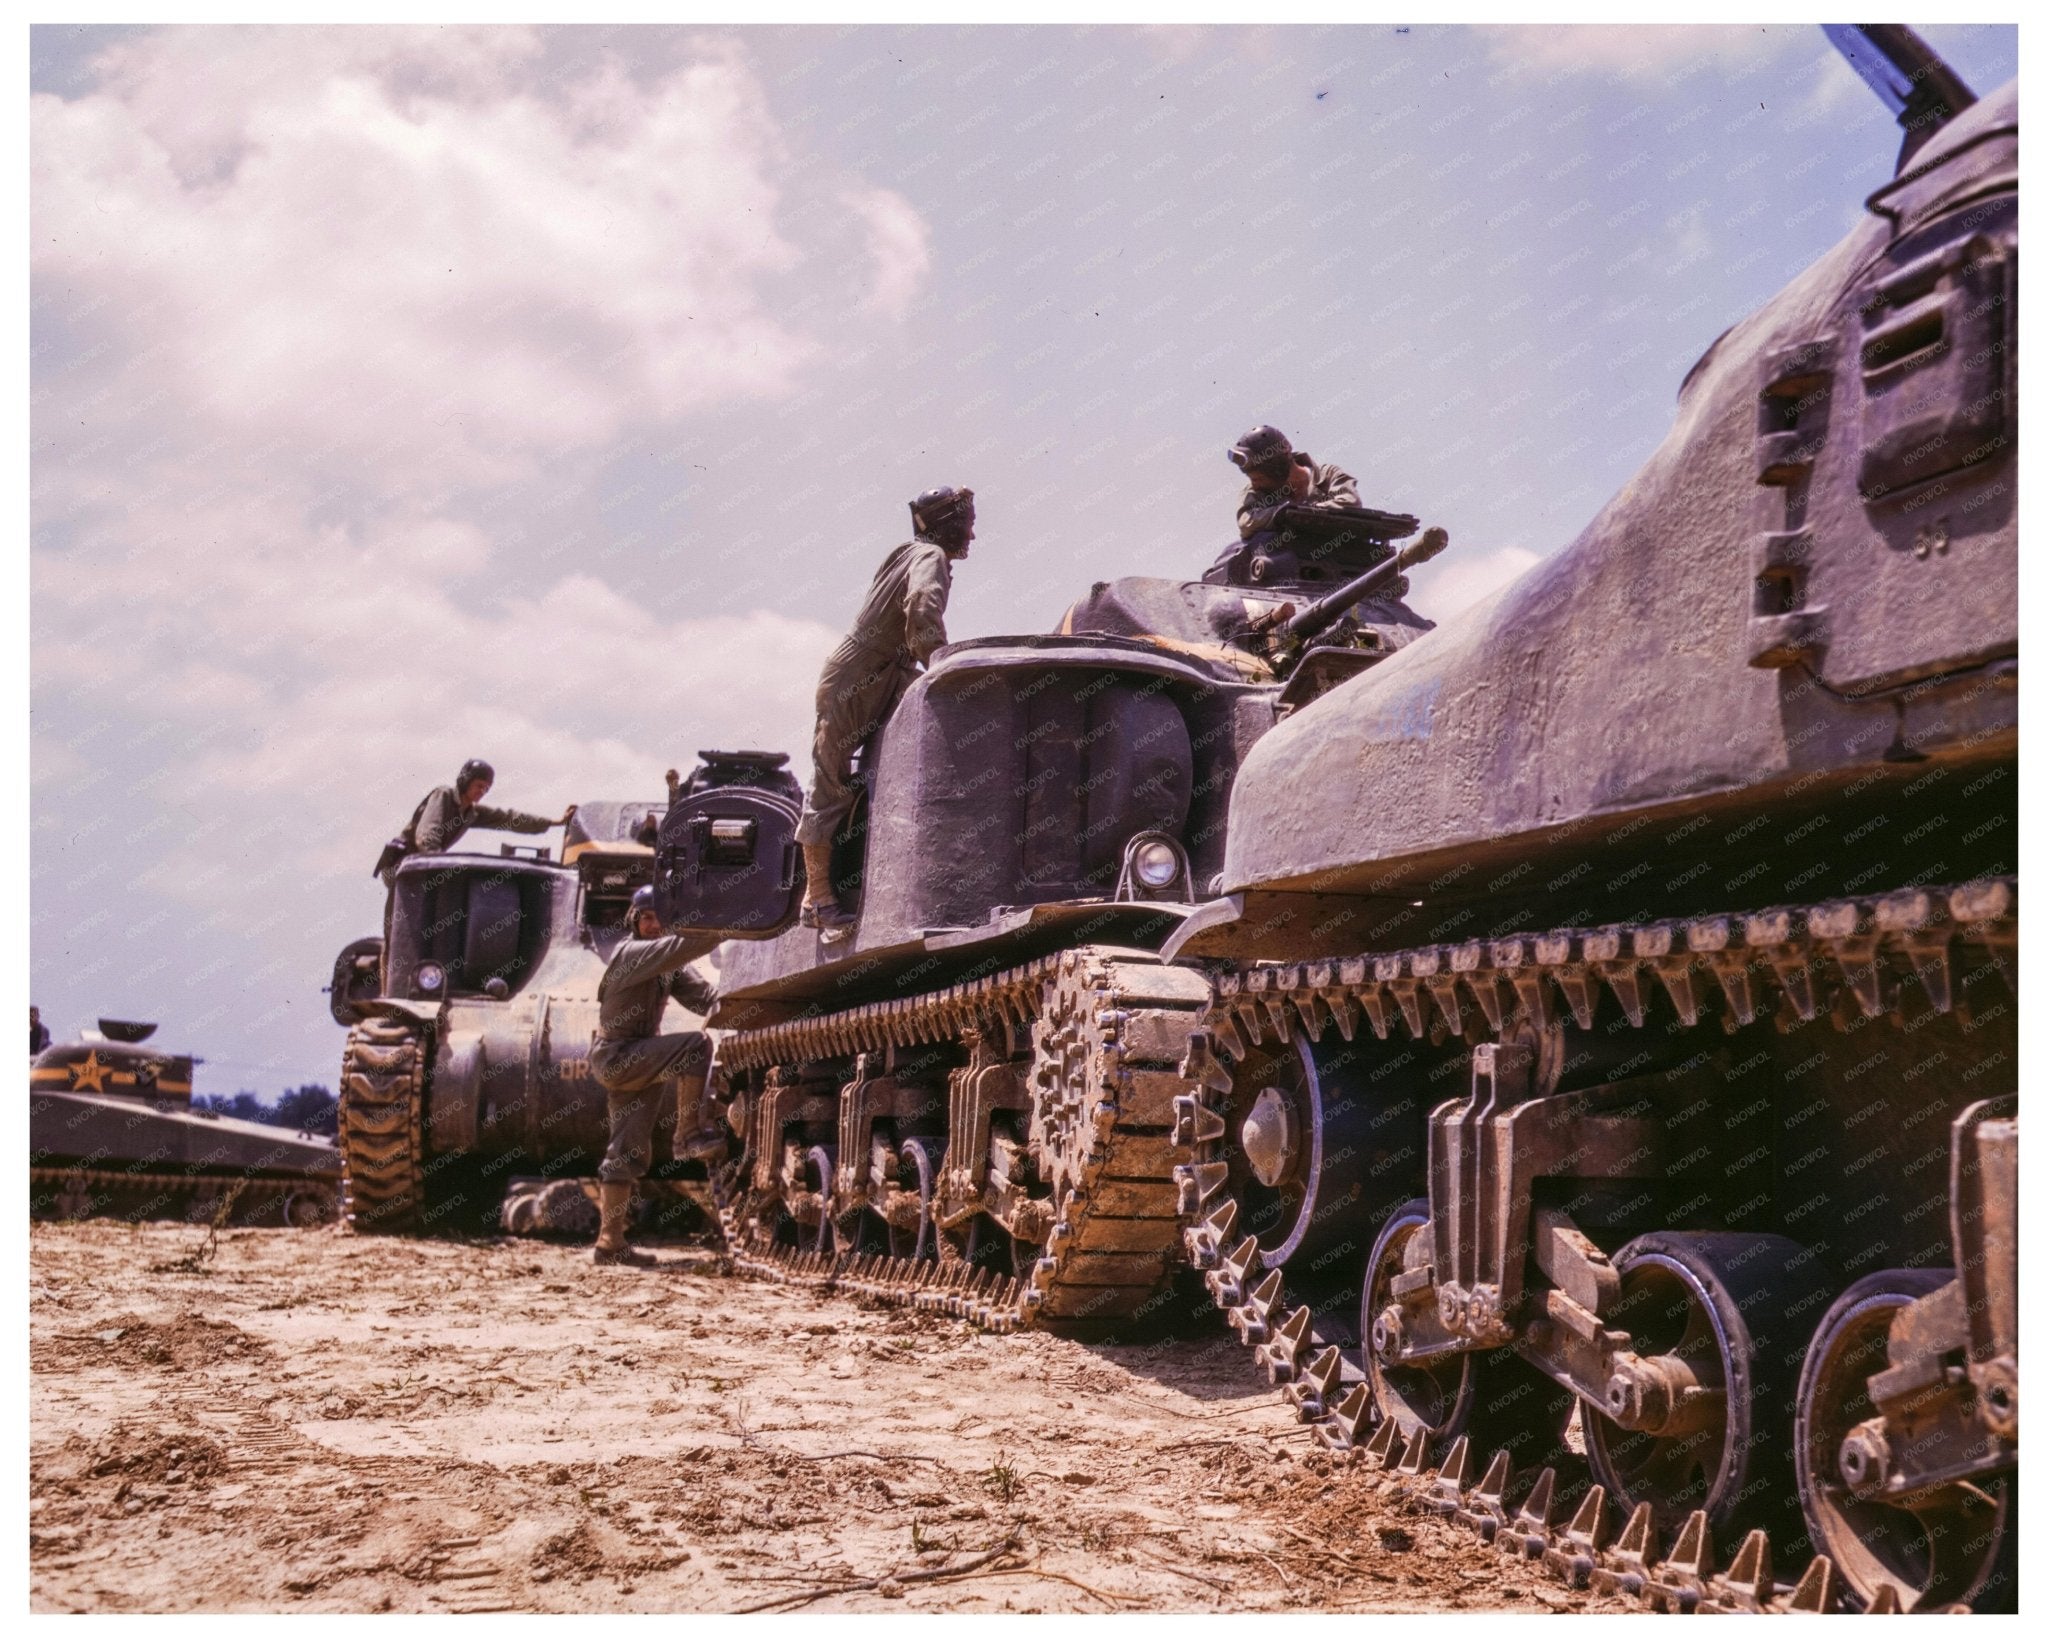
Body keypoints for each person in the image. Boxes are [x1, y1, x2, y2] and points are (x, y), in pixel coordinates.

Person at [795, 485, 975, 940]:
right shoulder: (930, 555)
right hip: (861, 674)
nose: (973, 532)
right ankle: (818, 898)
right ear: (948, 524)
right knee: (830, 780)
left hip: (885, 670)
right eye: (967, 521)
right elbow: (920, 607)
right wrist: (939, 661)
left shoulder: (910, 550)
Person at [587, 885, 722, 1267]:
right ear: (634, 920)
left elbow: (706, 996)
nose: (654, 924)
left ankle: (609, 1243)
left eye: (661, 919)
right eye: (647, 917)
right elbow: (681, 948)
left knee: (627, 1152)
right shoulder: (631, 953)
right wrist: (732, 921)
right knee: (695, 1047)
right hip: (619, 1054)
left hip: (636, 1056)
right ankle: (687, 1134)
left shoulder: (666, 966)